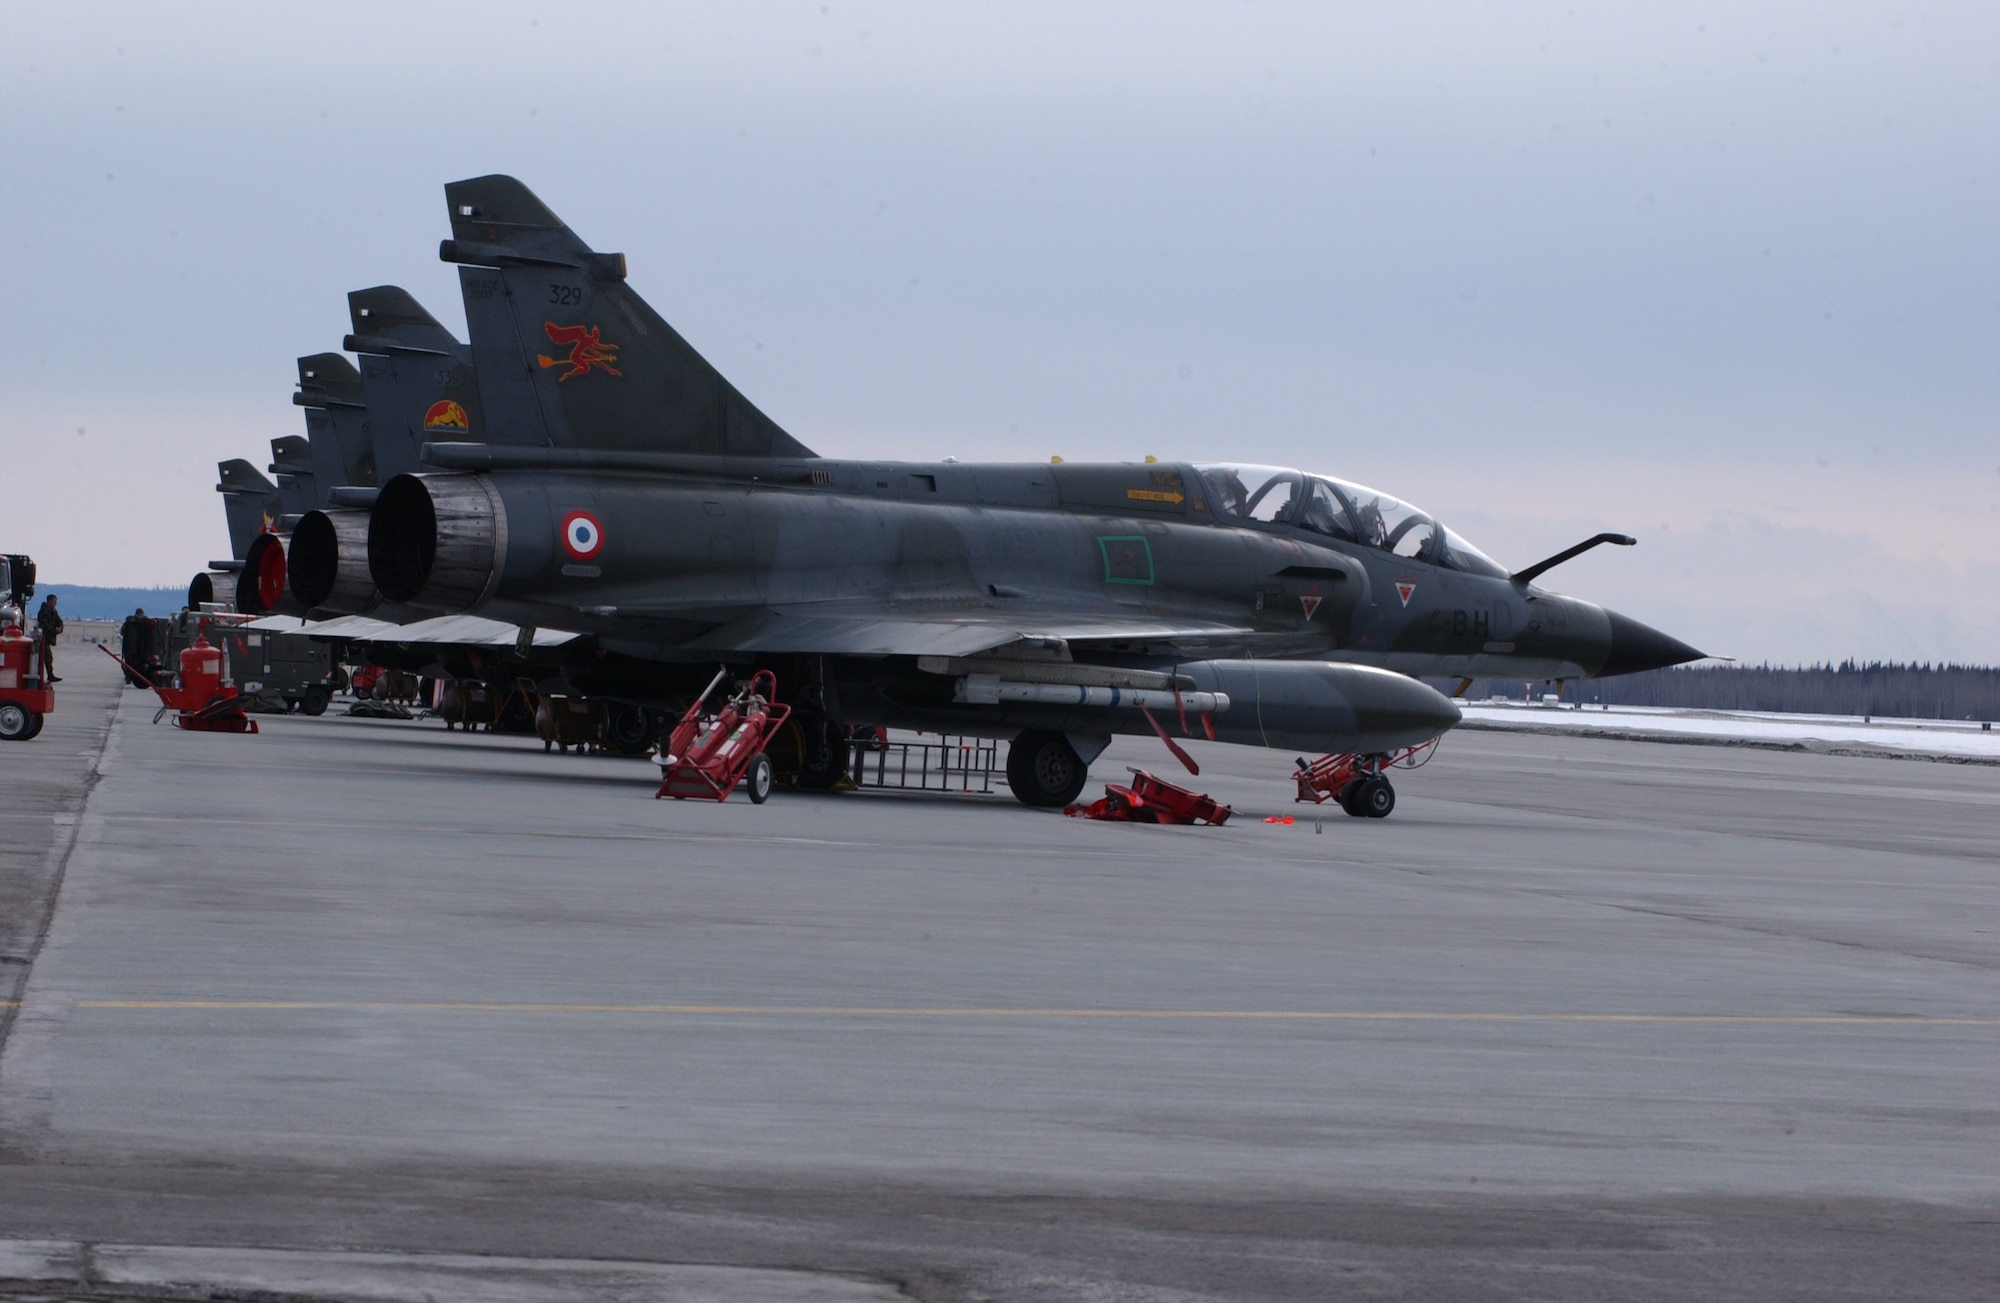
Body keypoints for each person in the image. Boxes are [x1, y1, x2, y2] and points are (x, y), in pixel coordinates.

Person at [35, 593, 64, 683]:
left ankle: (49, 675)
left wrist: (59, 629)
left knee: (47, 658)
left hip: (48, 638)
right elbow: (44, 625)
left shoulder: (53, 611)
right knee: (46, 657)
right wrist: (54, 630)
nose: (55, 603)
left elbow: (60, 622)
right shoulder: (44, 611)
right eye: (54, 601)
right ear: (50, 601)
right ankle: (47, 675)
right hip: (43, 638)